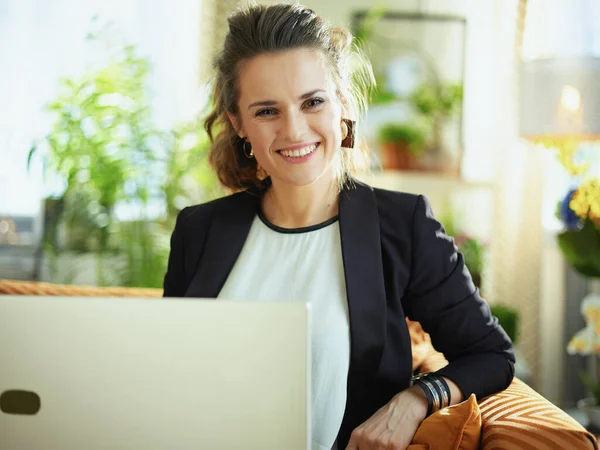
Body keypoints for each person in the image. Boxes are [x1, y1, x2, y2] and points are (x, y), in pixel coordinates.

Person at [163, 3, 515, 450]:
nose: (293, 130)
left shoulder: (403, 226)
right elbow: (170, 373)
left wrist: (416, 397)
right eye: (267, 111)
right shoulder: (199, 231)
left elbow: (492, 355)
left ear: (342, 103)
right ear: (238, 124)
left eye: (312, 102)